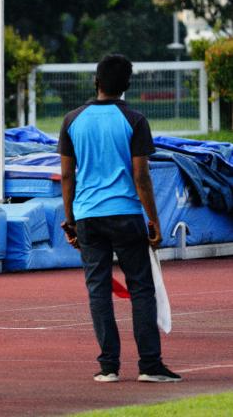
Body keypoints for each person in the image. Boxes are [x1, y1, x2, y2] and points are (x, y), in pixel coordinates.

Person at [58, 54, 181, 383]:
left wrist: (70, 220)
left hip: (88, 215)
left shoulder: (72, 120)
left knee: (98, 290)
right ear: (127, 85)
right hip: (125, 213)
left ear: (95, 81)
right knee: (141, 289)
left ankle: (108, 366)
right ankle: (150, 365)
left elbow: (67, 175)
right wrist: (154, 220)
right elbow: (141, 176)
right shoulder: (135, 120)